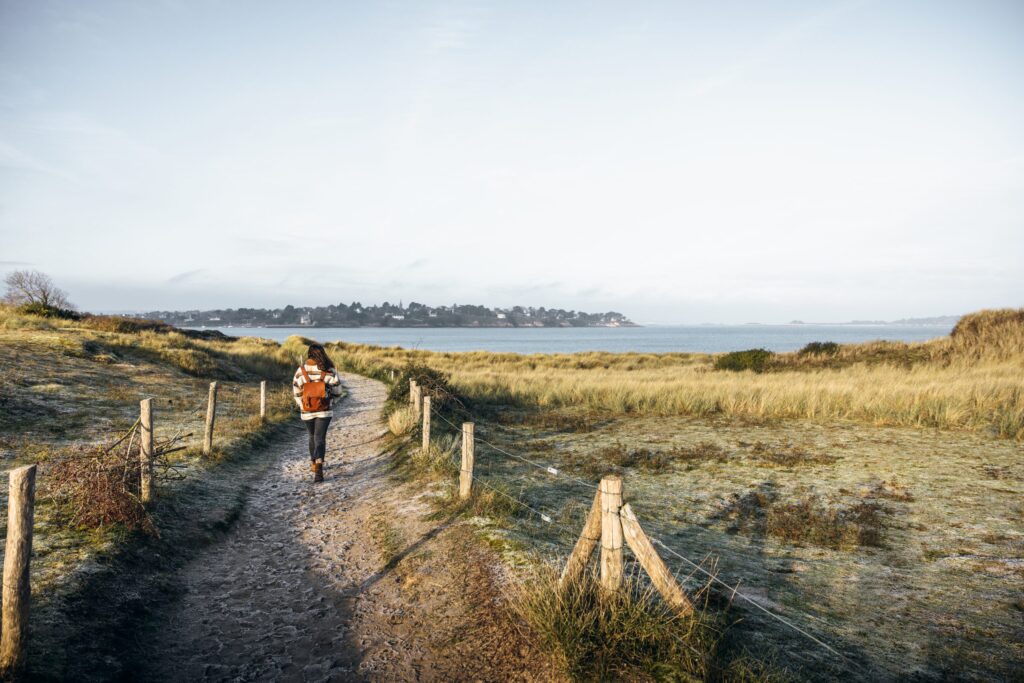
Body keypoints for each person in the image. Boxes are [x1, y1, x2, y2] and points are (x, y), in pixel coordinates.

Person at [292, 343, 343, 482]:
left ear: (309, 354)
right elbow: (338, 391)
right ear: (323, 354)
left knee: (311, 436)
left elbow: (296, 390)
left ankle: (314, 463)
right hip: (324, 410)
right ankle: (320, 463)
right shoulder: (329, 370)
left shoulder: (301, 370)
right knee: (320, 438)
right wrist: (331, 402)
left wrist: (302, 405)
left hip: (306, 410)